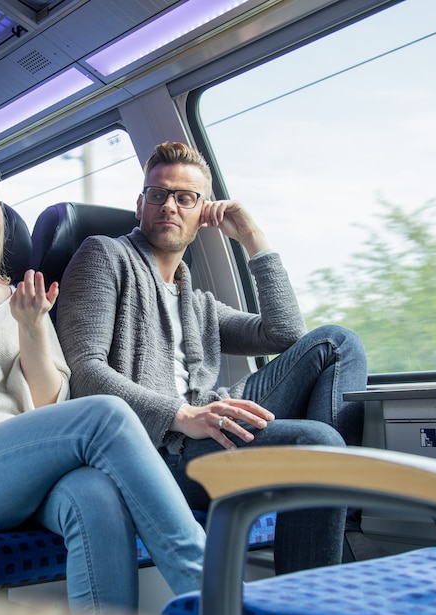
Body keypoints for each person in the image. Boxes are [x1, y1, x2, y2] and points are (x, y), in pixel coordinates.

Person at [0, 147, 204, 615]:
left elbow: (50, 403)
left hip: (23, 472)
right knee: (105, 413)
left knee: (95, 493)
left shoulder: (19, 297)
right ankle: (217, 599)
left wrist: (29, 328)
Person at [56, 142, 368, 574]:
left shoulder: (196, 301)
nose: (170, 206)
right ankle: (303, 600)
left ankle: (328, 500)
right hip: (157, 450)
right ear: (140, 203)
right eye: (158, 194)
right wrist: (181, 415)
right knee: (319, 443)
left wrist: (252, 238)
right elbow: (84, 373)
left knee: (336, 342)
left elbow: (285, 334)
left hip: (207, 429)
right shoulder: (103, 255)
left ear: (202, 214)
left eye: (185, 198)